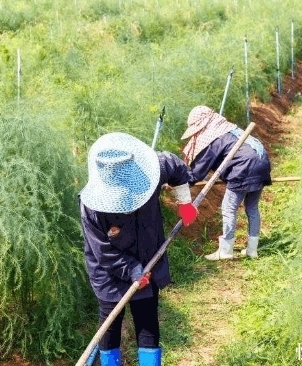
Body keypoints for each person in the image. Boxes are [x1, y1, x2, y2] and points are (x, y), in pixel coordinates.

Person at [79, 132, 198, 366]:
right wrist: (133, 270)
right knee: (110, 323)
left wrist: (185, 203)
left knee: (147, 317)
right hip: (108, 271)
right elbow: (103, 252)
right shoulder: (91, 207)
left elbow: (175, 166)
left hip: (148, 258)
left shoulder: (152, 172)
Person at [181, 105, 272, 260]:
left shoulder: (214, 138)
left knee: (228, 208)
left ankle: (226, 251)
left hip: (244, 168)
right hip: (262, 162)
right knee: (252, 207)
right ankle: (252, 250)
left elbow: (197, 172)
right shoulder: (229, 130)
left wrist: (181, 181)